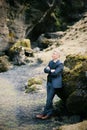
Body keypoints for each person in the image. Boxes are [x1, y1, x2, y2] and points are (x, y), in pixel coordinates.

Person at [36, 50, 64, 119]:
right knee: (49, 99)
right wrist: (51, 70)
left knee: (49, 99)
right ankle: (49, 113)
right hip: (49, 82)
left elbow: (55, 73)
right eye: (53, 54)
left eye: (54, 54)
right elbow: (45, 70)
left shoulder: (60, 64)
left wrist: (50, 70)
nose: (53, 55)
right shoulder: (50, 62)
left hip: (55, 84)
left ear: (58, 56)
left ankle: (44, 113)